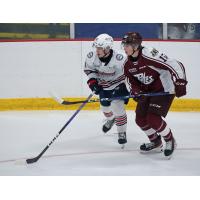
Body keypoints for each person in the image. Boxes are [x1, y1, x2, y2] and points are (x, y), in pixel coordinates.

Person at [121, 32, 187, 158]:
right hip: (148, 92)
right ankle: (156, 142)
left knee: (152, 118)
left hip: (164, 89)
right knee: (140, 119)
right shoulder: (127, 64)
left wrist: (181, 81)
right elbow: (131, 82)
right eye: (124, 45)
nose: (124, 48)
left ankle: (170, 140)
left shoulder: (149, 54)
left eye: (127, 45)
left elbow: (175, 64)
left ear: (135, 45)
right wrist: (135, 91)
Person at [84, 33, 129, 147]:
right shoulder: (91, 57)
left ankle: (121, 132)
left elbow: (130, 73)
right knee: (105, 109)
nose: (97, 50)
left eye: (100, 48)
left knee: (118, 108)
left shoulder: (120, 58)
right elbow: (89, 70)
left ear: (107, 48)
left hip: (119, 85)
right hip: (104, 87)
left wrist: (133, 88)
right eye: (96, 47)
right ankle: (111, 119)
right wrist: (93, 83)